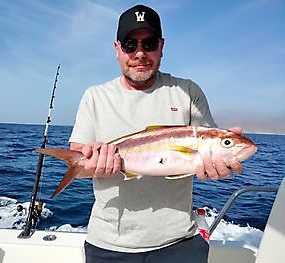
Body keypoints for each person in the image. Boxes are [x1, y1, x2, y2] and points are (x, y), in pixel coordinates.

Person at [69, 4, 242, 263]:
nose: (140, 53)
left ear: (162, 46)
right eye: (130, 44)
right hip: (109, 244)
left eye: (149, 44)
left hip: (179, 242)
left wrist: (218, 165)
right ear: (117, 49)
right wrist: (94, 165)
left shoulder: (188, 91)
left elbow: (206, 154)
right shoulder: (95, 96)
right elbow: (77, 162)